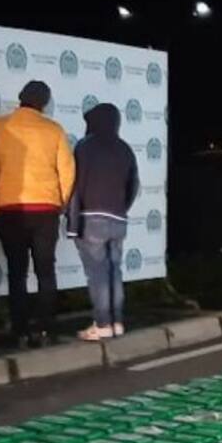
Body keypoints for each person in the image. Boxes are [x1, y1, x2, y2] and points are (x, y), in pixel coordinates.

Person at [0, 80, 75, 349]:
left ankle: (19, 331)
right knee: (45, 270)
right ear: (44, 103)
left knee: (16, 272)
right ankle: (45, 330)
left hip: (10, 211)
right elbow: (67, 171)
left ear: (20, 99)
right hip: (45, 211)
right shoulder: (53, 130)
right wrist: (61, 202)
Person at [65, 103, 139, 341]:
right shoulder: (125, 149)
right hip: (118, 219)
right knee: (114, 271)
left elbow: (73, 187)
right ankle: (116, 322)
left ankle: (103, 324)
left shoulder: (84, 147)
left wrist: (72, 224)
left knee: (97, 274)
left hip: (90, 218)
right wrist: (121, 208)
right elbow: (133, 185)